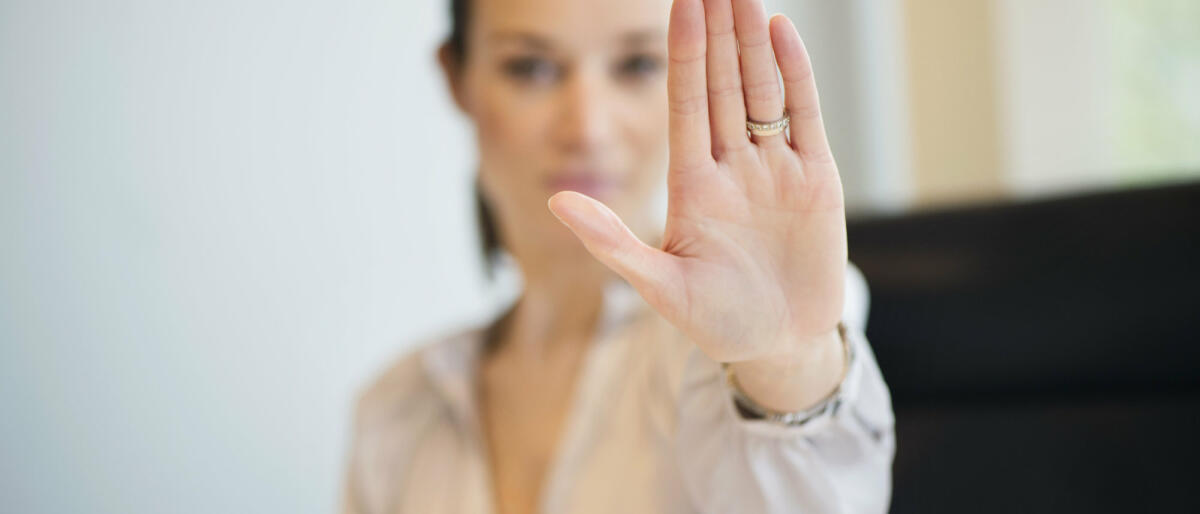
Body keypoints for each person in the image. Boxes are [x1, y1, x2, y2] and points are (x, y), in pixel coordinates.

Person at [341, 0, 895, 512]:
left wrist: (786, 364)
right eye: (530, 68)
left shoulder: (728, 352)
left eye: (636, 65)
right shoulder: (396, 410)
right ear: (456, 78)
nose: (587, 127)